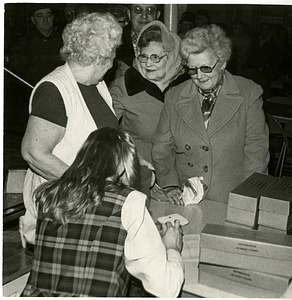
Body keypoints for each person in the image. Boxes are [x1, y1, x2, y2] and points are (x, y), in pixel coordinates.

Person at [20, 127, 184, 297]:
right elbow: (166, 288)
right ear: (124, 167)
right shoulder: (130, 200)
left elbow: (30, 235)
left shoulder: (44, 193)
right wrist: (172, 248)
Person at [20, 12, 122, 254]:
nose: (115, 59)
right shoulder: (55, 90)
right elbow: (33, 153)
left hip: (91, 206)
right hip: (61, 212)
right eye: (114, 51)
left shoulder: (96, 85)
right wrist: (85, 184)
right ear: (104, 56)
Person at [151, 24, 269, 205]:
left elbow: (256, 154)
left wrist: (246, 200)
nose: (199, 76)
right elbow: (161, 148)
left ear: (222, 63)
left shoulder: (248, 93)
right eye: (192, 69)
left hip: (231, 197)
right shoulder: (174, 96)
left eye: (206, 68)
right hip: (186, 197)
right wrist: (169, 185)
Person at [109, 21, 189, 198]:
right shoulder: (125, 87)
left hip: (186, 181)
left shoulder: (187, 87)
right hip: (141, 179)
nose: (148, 64)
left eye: (156, 57)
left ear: (172, 56)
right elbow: (105, 134)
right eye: (143, 56)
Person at [105, 4, 161, 85]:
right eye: (138, 10)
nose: (144, 16)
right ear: (129, 14)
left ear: (157, 15)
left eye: (150, 10)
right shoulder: (112, 41)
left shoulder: (168, 43)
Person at [10, 4, 63, 86]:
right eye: (40, 16)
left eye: (48, 15)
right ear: (33, 20)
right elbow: (17, 73)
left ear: (53, 17)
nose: (45, 19)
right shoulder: (23, 43)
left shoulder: (64, 40)